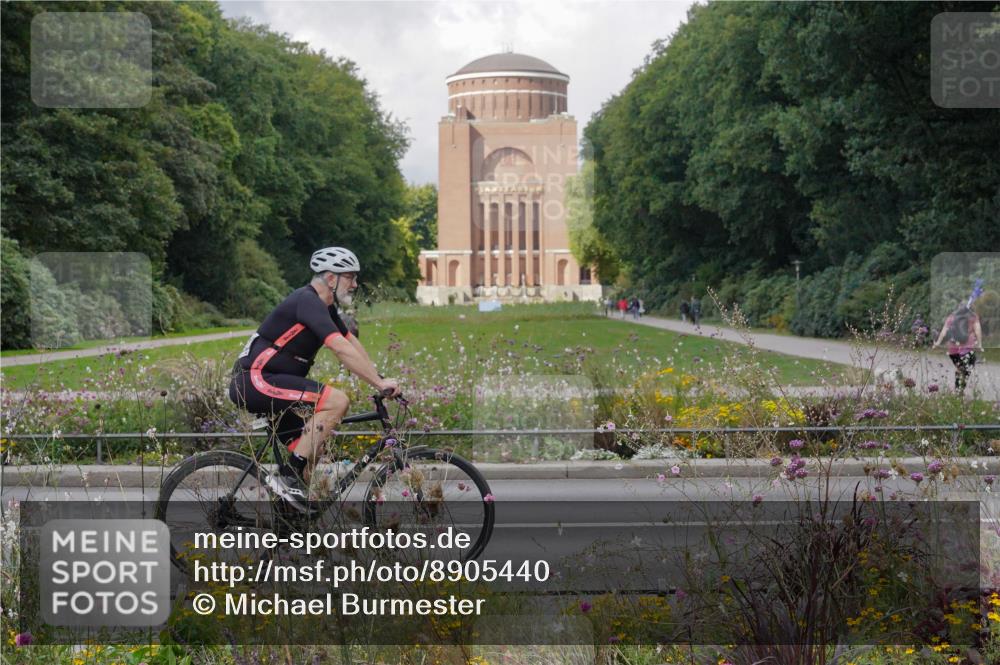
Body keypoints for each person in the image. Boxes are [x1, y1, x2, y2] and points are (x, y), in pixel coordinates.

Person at [228, 246, 400, 509]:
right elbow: (338, 347)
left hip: (270, 380)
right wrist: (378, 384)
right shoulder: (306, 301)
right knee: (337, 401)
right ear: (332, 279)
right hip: (255, 380)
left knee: (313, 449)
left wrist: (379, 377)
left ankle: (291, 520)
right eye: (351, 277)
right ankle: (288, 477)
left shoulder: (325, 308)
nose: (355, 284)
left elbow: (349, 341)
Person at [933, 303, 984, 393]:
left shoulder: (951, 317)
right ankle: (959, 390)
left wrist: (937, 343)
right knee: (967, 369)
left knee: (960, 368)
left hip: (953, 350)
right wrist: (979, 345)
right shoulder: (973, 317)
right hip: (967, 348)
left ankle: (958, 390)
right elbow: (978, 330)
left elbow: (944, 331)